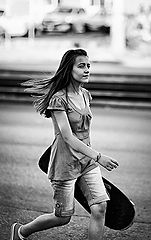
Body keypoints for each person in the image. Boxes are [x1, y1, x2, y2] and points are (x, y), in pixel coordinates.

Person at [10, 49, 119, 240]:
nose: (87, 70)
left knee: (100, 208)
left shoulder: (85, 95)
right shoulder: (58, 99)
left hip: (87, 162)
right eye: (81, 66)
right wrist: (99, 157)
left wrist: (92, 158)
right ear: (69, 69)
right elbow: (68, 137)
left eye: (88, 66)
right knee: (63, 217)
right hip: (65, 164)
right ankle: (21, 231)